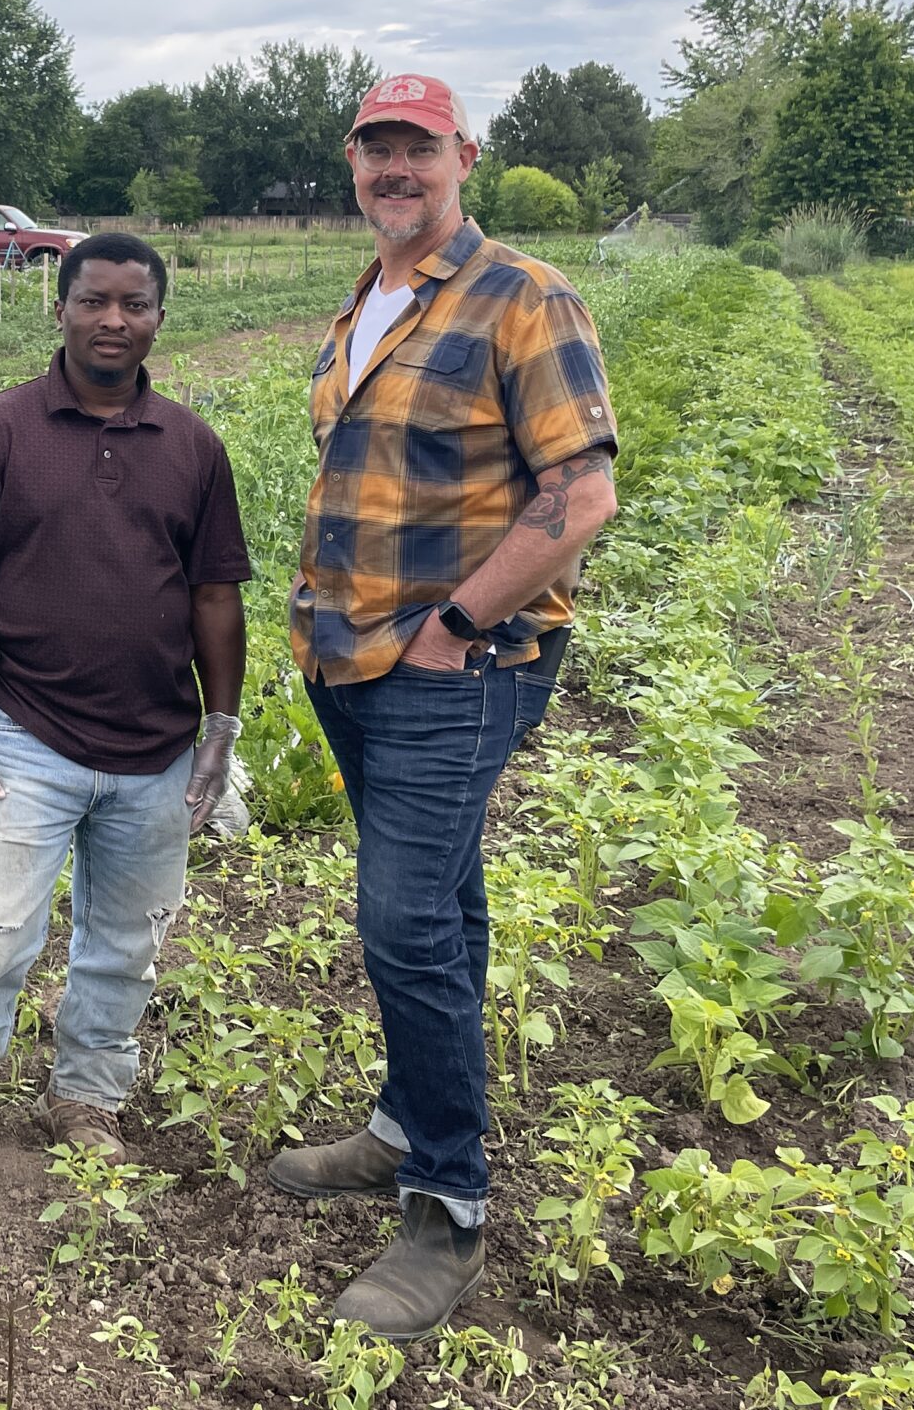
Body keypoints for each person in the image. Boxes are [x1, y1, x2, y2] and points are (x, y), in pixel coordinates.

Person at [267, 73, 619, 1339]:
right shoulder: (374, 296)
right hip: (348, 659)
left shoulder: (522, 294)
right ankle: (407, 1123)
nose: (393, 169)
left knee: (402, 920)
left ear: (464, 155)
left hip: (454, 666)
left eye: (417, 147)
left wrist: (455, 627)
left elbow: (578, 499)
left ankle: (448, 1204)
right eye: (375, 150)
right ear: (353, 166)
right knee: (442, 902)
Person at [0, 232, 252, 1198]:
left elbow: (217, 597)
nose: (113, 321)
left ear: (158, 319)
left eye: (133, 305)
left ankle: (87, 1097)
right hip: (26, 737)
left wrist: (219, 731)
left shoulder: (191, 446)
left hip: (158, 746)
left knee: (128, 940)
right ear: (59, 308)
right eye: (94, 301)